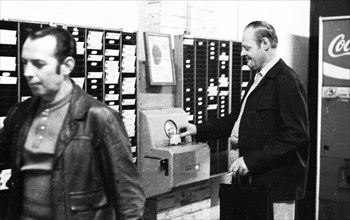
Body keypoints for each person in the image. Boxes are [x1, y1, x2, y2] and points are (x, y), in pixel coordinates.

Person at [0, 27, 145, 220]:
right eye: (25, 63)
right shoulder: (19, 114)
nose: (28, 72)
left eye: (38, 64)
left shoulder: (99, 117)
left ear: (67, 66)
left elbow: (128, 195)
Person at [179, 21, 309, 219]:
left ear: (265, 43)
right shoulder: (258, 79)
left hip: (276, 190)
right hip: (255, 184)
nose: (242, 53)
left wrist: (250, 160)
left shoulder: (287, 80)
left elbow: (296, 135)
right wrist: (197, 129)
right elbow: (237, 120)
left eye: (247, 47)